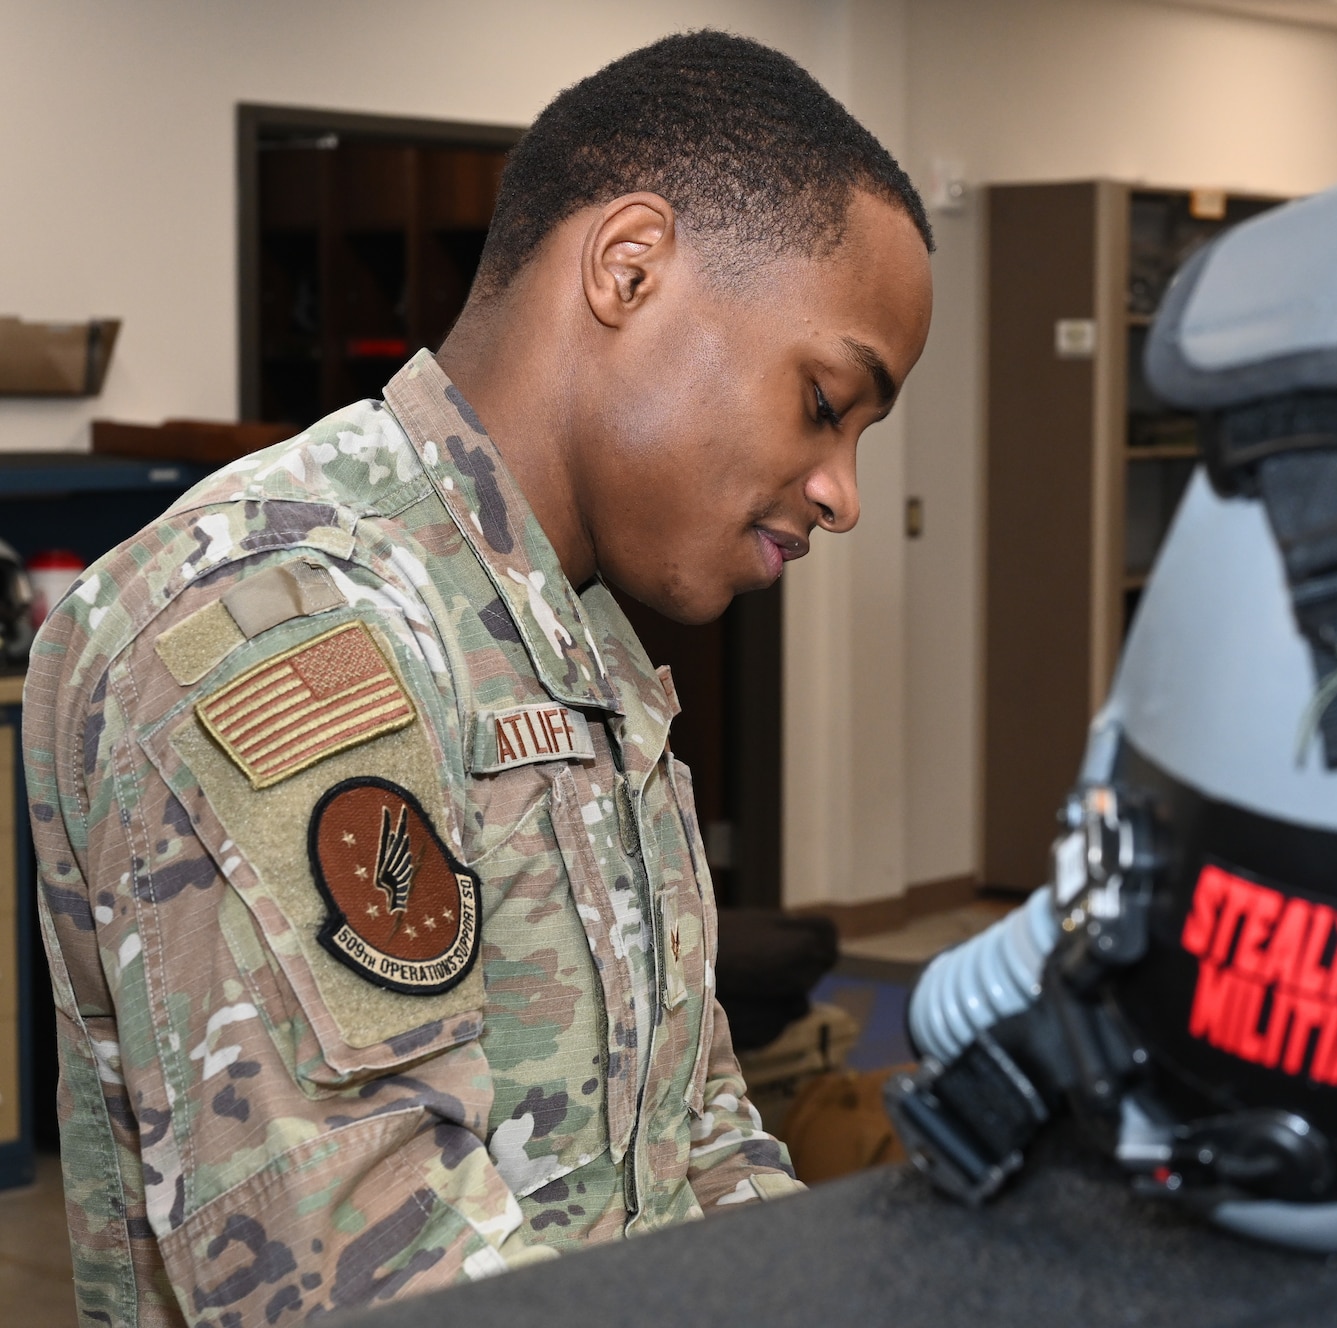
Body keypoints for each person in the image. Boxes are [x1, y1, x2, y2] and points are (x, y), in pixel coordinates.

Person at [24, 30, 933, 1327]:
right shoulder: (277, 615)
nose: (841, 490)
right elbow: (360, 1268)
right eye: (825, 401)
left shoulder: (583, 642)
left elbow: (695, 1133)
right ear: (630, 269)